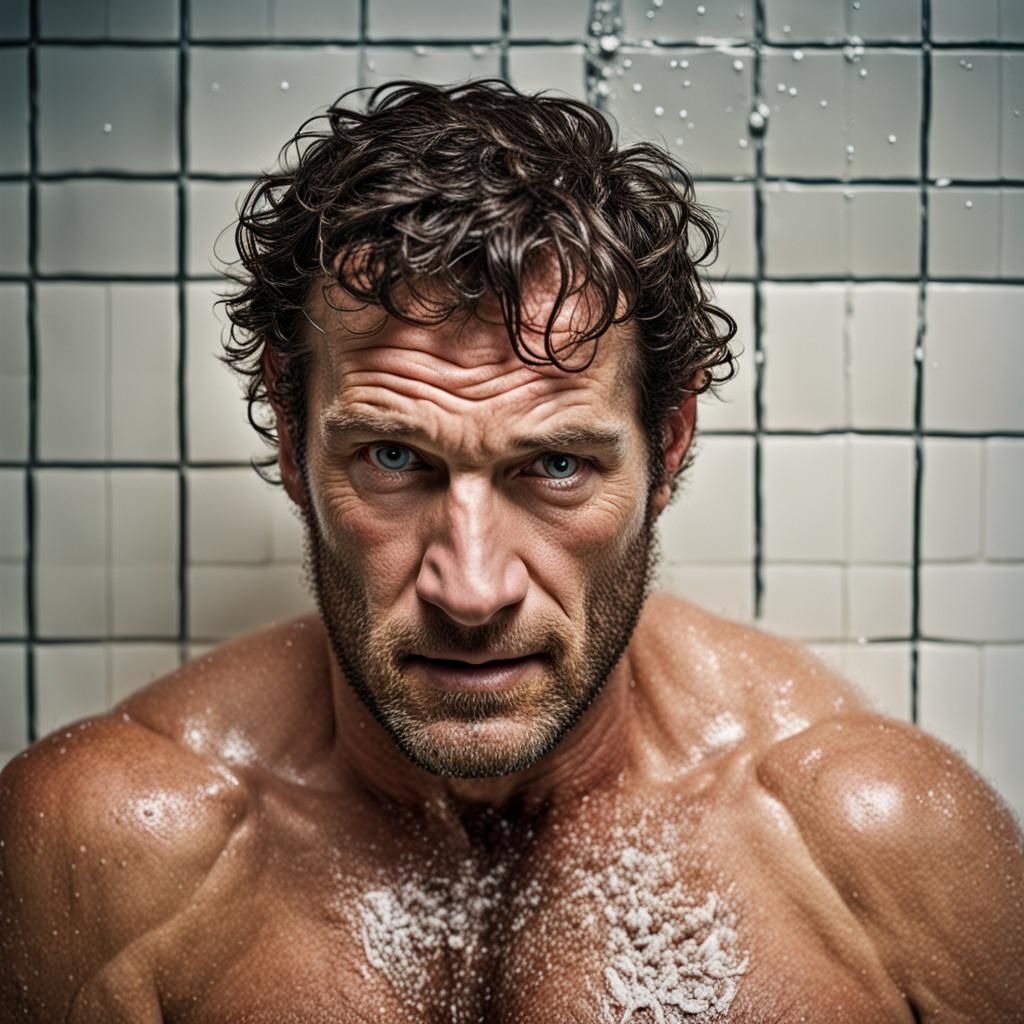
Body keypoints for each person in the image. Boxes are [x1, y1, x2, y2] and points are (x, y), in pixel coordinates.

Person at [1, 80, 1020, 1024]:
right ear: (287, 426)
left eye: (557, 465)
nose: (472, 587)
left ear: (667, 444)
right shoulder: (109, 855)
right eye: (394, 456)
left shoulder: (877, 851)